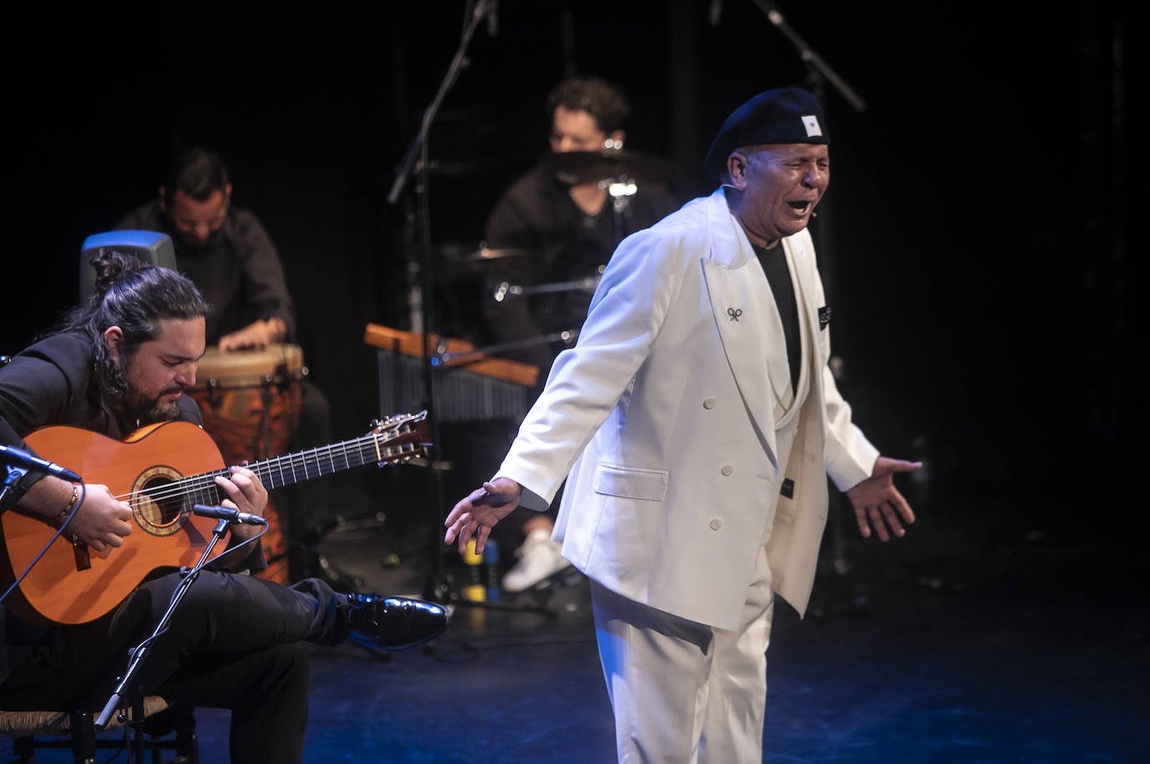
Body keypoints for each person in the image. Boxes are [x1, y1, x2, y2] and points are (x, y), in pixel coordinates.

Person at [444, 87, 921, 763]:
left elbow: (809, 379)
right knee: (659, 746)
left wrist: (856, 464)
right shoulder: (667, 249)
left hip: (747, 535)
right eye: (795, 163)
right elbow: (585, 376)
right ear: (739, 169)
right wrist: (518, 479)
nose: (814, 179)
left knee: (735, 735)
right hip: (655, 546)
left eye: (821, 163)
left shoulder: (798, 248)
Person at [0, 249, 449, 764]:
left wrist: (244, 536)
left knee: (281, 662)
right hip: (34, 649)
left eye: (195, 360)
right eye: (173, 362)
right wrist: (68, 502)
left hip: (133, 646)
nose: (189, 379)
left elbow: (199, 571)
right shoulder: (64, 367)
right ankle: (335, 613)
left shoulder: (177, 418)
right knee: (185, 597)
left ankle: (328, 616)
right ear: (116, 344)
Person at [475, 75, 682, 594]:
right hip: (548, 347)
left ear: (612, 141)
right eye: (558, 137)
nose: (564, 149)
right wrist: (539, 360)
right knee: (527, 401)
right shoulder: (525, 200)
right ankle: (539, 537)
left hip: (636, 349)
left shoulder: (644, 199)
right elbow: (501, 293)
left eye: (580, 141)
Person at [113, 146, 343, 587]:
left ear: (228, 196)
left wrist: (264, 330)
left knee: (313, 409)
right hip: (159, 382)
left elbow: (280, 311)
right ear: (165, 199)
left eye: (211, 221)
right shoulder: (135, 234)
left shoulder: (244, 231)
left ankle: (304, 544)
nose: (201, 232)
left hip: (231, 382)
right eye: (188, 223)